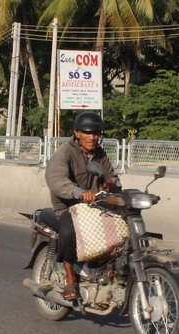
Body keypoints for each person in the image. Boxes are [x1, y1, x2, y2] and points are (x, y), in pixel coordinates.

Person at [45, 112, 121, 300]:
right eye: (87, 132)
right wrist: (79, 193)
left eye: (95, 133)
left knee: (120, 226)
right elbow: (56, 180)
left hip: (94, 206)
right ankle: (71, 278)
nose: (92, 137)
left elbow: (112, 177)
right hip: (68, 206)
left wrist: (111, 184)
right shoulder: (65, 153)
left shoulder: (100, 154)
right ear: (77, 133)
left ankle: (108, 268)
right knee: (69, 232)